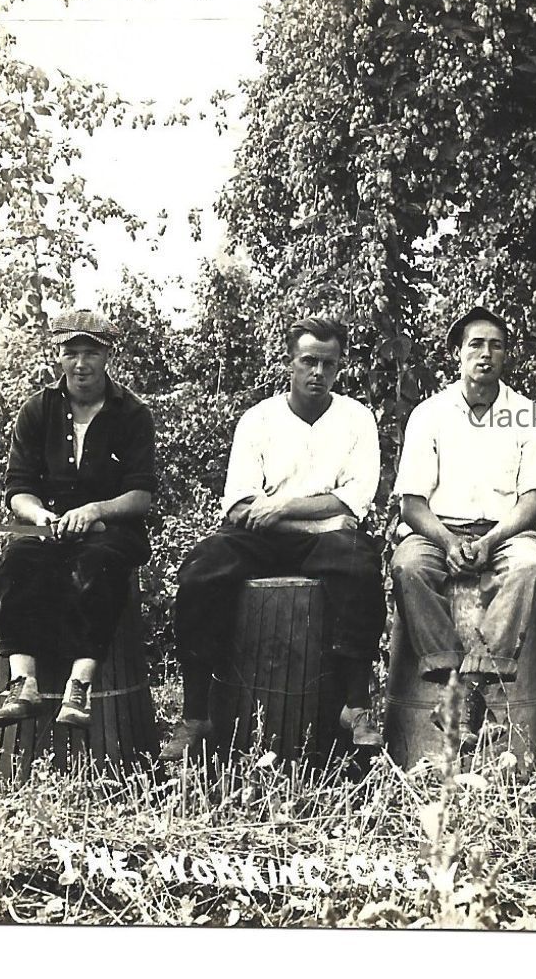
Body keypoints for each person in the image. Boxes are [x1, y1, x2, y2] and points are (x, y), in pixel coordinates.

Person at [165, 317, 385, 760]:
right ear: (290, 363)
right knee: (202, 569)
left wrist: (282, 507)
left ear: (339, 366)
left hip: (325, 540)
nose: (318, 372)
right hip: (265, 538)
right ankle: (195, 714)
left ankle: (356, 705)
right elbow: (240, 505)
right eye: (308, 361)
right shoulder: (259, 419)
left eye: (328, 364)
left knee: (360, 565)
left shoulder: (356, 419)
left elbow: (354, 500)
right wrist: (311, 515)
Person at [390, 306, 536, 751]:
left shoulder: (529, 415)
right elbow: (411, 503)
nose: (486, 354)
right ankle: (450, 680)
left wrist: (491, 540)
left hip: (505, 533)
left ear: (506, 355)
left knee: (531, 565)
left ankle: (474, 683)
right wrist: (446, 541)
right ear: (456, 353)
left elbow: (532, 501)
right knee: (408, 566)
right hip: (438, 529)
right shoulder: (429, 414)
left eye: (496, 346)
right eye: (476, 345)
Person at [0, 310, 157, 729]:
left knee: (97, 567)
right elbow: (18, 489)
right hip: (51, 529)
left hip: (112, 531)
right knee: (13, 566)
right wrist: (39, 515)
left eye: (91, 353)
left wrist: (95, 510)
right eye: (71, 353)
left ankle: (78, 688)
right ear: (58, 356)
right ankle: (23, 684)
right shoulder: (37, 410)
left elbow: (141, 495)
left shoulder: (133, 413)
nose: (80, 364)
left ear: (108, 355)